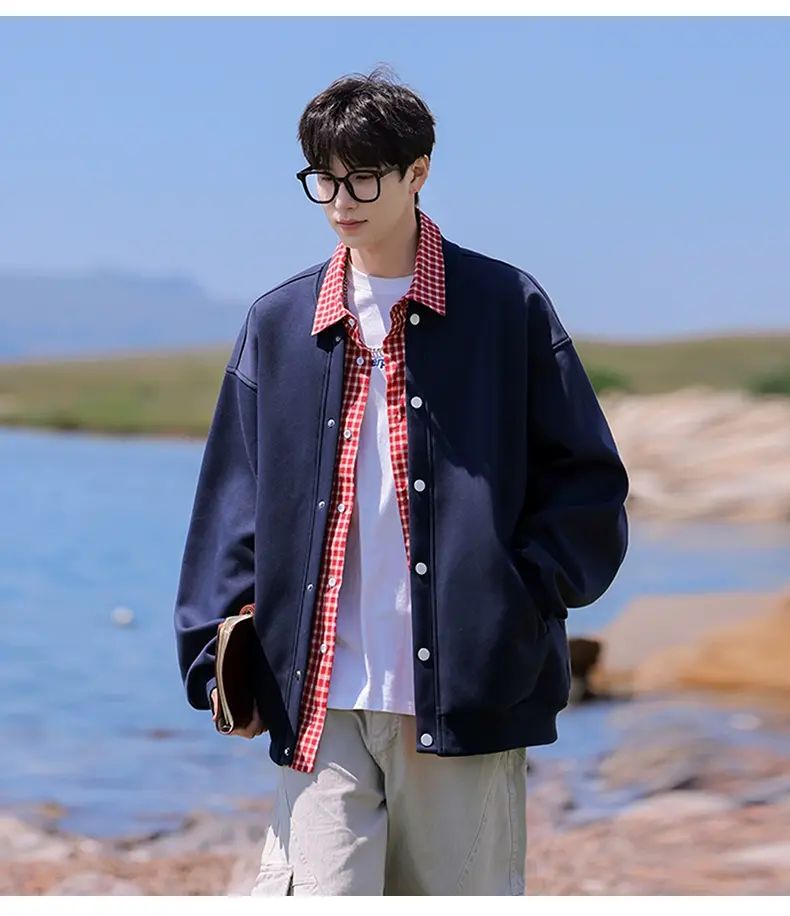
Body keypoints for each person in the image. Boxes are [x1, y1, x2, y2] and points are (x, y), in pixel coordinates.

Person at [174, 64, 629, 896]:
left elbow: (588, 485)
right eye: (323, 179)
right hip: (318, 697)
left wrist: (515, 600)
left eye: (363, 178)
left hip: (467, 695)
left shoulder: (505, 307)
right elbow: (231, 503)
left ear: (418, 172)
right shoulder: (280, 324)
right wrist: (214, 653)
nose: (340, 201)